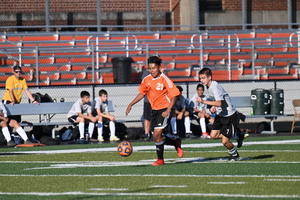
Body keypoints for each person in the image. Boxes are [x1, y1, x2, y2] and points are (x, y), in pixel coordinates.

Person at [126, 56, 184, 166]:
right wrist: (131, 104)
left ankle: (160, 160)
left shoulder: (165, 79)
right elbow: (142, 93)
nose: (152, 70)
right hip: (154, 110)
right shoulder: (146, 79)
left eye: (154, 68)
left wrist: (168, 110)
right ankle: (175, 142)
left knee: (157, 133)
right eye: (150, 68)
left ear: (159, 67)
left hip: (164, 109)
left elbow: (175, 95)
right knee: (156, 137)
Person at [198, 67, 248, 161]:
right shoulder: (209, 86)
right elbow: (217, 102)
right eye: (200, 78)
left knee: (225, 141)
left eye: (203, 78)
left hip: (229, 115)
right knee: (213, 135)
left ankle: (235, 155)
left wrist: (204, 101)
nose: (201, 80)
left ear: (209, 77)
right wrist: (214, 107)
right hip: (220, 114)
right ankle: (238, 136)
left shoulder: (215, 86)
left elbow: (219, 103)